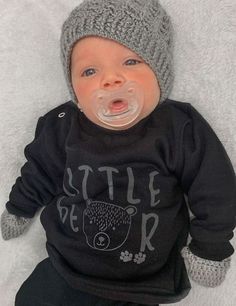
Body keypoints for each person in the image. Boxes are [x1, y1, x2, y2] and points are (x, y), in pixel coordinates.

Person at [1, 0, 236, 305]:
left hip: (143, 283)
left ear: (159, 71)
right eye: (89, 70)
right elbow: (39, 172)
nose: (110, 80)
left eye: (130, 62)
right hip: (65, 269)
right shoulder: (62, 127)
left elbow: (215, 188)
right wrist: (19, 208)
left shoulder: (177, 127)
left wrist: (211, 248)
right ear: (73, 88)